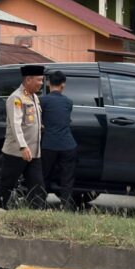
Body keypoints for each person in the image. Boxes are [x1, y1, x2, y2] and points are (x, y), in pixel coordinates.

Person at [0, 65, 46, 210]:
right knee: (6, 185)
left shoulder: (34, 97)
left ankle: (38, 214)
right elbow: (16, 124)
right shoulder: (16, 98)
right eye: (39, 80)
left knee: (38, 186)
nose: (41, 83)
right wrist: (23, 146)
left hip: (34, 152)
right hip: (16, 152)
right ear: (28, 80)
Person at [39, 71, 77, 210]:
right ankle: (66, 206)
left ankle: (40, 204)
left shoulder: (42, 101)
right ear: (63, 85)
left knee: (43, 176)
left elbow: (39, 121)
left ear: (48, 84)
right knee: (67, 179)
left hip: (49, 145)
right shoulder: (68, 102)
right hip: (68, 145)